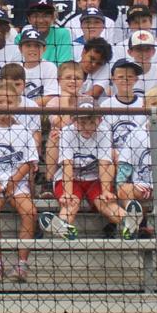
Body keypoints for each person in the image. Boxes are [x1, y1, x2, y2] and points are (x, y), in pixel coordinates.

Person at [0, 85, 40, 282]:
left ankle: (21, 264)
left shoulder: (23, 130)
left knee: (30, 212)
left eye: (10, 102)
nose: (5, 105)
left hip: (17, 182)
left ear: (18, 104)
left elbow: (29, 162)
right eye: (0, 101)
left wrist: (13, 181)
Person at [43, 101, 124, 240]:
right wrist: (67, 193)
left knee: (103, 202)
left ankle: (127, 221)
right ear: (74, 121)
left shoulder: (103, 132)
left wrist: (105, 191)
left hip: (95, 178)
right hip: (70, 178)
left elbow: (104, 164)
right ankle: (63, 225)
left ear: (99, 121)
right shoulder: (68, 133)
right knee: (71, 202)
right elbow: (67, 165)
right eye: (82, 123)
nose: (87, 127)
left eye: (92, 123)